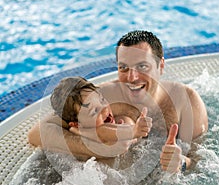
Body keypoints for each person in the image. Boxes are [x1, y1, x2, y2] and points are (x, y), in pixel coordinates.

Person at [28, 30, 208, 173]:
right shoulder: (105, 96)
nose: (132, 77)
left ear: (161, 65)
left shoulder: (187, 102)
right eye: (123, 68)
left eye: (142, 66)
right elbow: (38, 133)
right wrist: (99, 147)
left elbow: (203, 162)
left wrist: (182, 163)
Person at [49, 76, 152, 144]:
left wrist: (134, 131)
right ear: (76, 124)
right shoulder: (73, 138)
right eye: (94, 111)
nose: (104, 108)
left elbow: (105, 134)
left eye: (102, 100)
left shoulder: (124, 122)